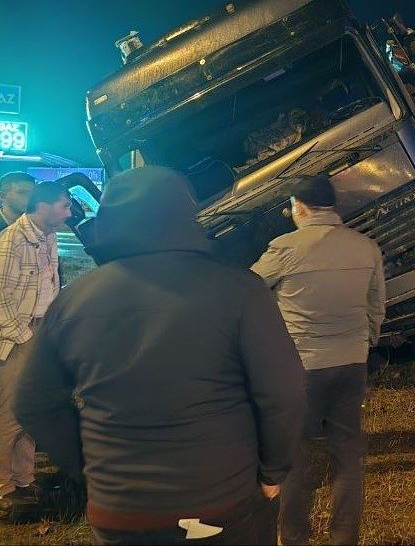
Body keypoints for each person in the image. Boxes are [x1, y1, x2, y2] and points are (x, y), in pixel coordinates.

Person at [13, 166, 306, 545]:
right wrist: (273, 471)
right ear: (186, 216)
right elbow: (283, 392)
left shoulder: (73, 301)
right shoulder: (240, 291)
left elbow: (33, 402)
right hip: (219, 503)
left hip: (118, 512)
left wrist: (90, 467)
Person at [251, 173, 385, 546]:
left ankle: (293, 537)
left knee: (294, 456)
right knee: (348, 454)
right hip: (351, 363)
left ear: (300, 207)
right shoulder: (366, 247)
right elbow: (376, 307)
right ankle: (344, 537)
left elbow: (247, 290)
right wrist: (365, 343)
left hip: (301, 366)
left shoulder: (285, 249)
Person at [0, 182, 71, 517]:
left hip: (40, 332)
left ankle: (24, 479)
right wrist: (24, 337)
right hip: (20, 336)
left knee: (31, 413)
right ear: (43, 206)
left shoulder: (47, 236)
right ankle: (4, 487)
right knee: (11, 415)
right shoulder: (12, 241)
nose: (69, 213)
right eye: (64, 206)